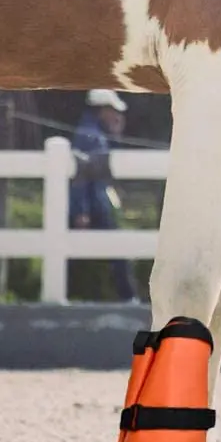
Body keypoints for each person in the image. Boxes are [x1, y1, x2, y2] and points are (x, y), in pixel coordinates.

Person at [70, 89, 139, 302]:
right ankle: (129, 297)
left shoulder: (92, 133)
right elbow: (81, 175)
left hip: (94, 203)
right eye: (113, 111)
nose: (117, 116)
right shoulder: (90, 136)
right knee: (117, 249)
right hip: (95, 204)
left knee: (72, 254)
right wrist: (81, 210)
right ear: (102, 110)